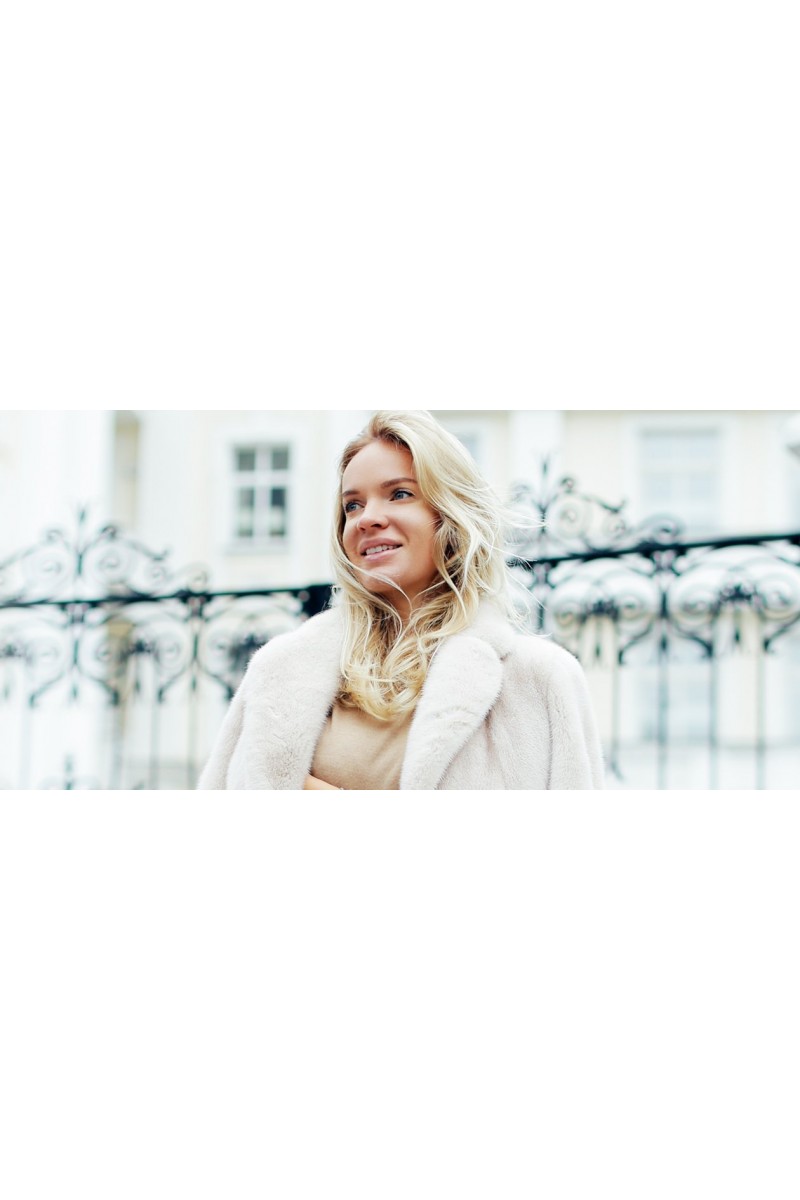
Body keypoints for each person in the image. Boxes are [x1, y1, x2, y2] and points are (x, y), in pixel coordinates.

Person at [198, 410, 604, 790]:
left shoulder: (540, 680)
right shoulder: (279, 669)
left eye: (399, 494)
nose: (367, 518)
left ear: (451, 515)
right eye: (352, 505)